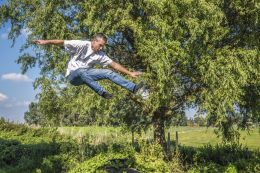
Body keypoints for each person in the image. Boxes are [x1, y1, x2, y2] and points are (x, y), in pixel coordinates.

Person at [33, 33, 148, 99]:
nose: (102, 48)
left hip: (86, 75)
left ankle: (134, 88)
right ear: (94, 41)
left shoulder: (100, 55)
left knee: (109, 72)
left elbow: (114, 65)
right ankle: (102, 92)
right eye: (100, 45)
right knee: (82, 71)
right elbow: (62, 42)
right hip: (73, 77)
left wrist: (130, 73)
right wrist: (45, 42)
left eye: (103, 46)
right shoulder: (81, 45)